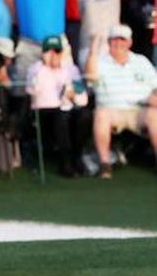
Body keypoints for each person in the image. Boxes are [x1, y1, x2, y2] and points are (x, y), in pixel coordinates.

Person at [85, 26, 157, 178]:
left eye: (122, 40)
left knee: (154, 114)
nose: (118, 44)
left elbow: (155, 85)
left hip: (139, 109)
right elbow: (90, 77)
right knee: (101, 114)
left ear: (129, 42)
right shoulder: (100, 61)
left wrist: (154, 98)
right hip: (112, 111)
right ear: (109, 42)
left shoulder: (141, 61)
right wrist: (93, 48)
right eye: (114, 40)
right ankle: (105, 165)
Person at [26, 35, 88, 177]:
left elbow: (82, 97)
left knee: (85, 115)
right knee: (61, 117)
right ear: (43, 53)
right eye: (50, 51)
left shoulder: (70, 70)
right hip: (45, 113)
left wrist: (74, 96)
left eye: (57, 51)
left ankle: (77, 156)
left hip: (67, 109)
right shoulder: (35, 69)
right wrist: (46, 66)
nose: (54, 55)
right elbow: (32, 90)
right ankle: (65, 161)